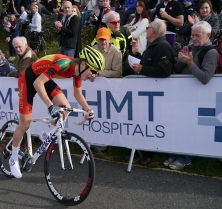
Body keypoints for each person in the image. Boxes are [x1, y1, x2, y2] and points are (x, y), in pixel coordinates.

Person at [9, 46, 105, 178]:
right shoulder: (64, 64)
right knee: (25, 124)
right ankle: (13, 158)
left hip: (42, 79)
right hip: (28, 79)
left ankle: (46, 134)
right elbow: (37, 83)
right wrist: (50, 106)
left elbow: (77, 93)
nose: (93, 75)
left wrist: (88, 109)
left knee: (65, 108)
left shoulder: (78, 72)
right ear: (83, 64)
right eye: (93, 70)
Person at [164, 21, 218, 170]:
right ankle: (176, 154)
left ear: (207, 35)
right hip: (184, 96)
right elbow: (177, 69)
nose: (193, 38)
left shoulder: (211, 53)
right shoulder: (192, 49)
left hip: (199, 100)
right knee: (178, 126)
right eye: (192, 35)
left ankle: (185, 158)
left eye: (197, 36)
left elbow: (205, 77)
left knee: (188, 128)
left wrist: (190, 63)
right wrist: (182, 60)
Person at [126, 19, 174, 165]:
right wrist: (137, 55)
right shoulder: (153, 45)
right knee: (142, 122)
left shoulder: (163, 46)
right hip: (146, 92)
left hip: (155, 94)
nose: (146, 30)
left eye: (147, 28)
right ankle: (140, 152)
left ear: (152, 31)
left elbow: (164, 70)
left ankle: (149, 154)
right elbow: (148, 64)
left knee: (150, 124)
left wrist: (143, 69)